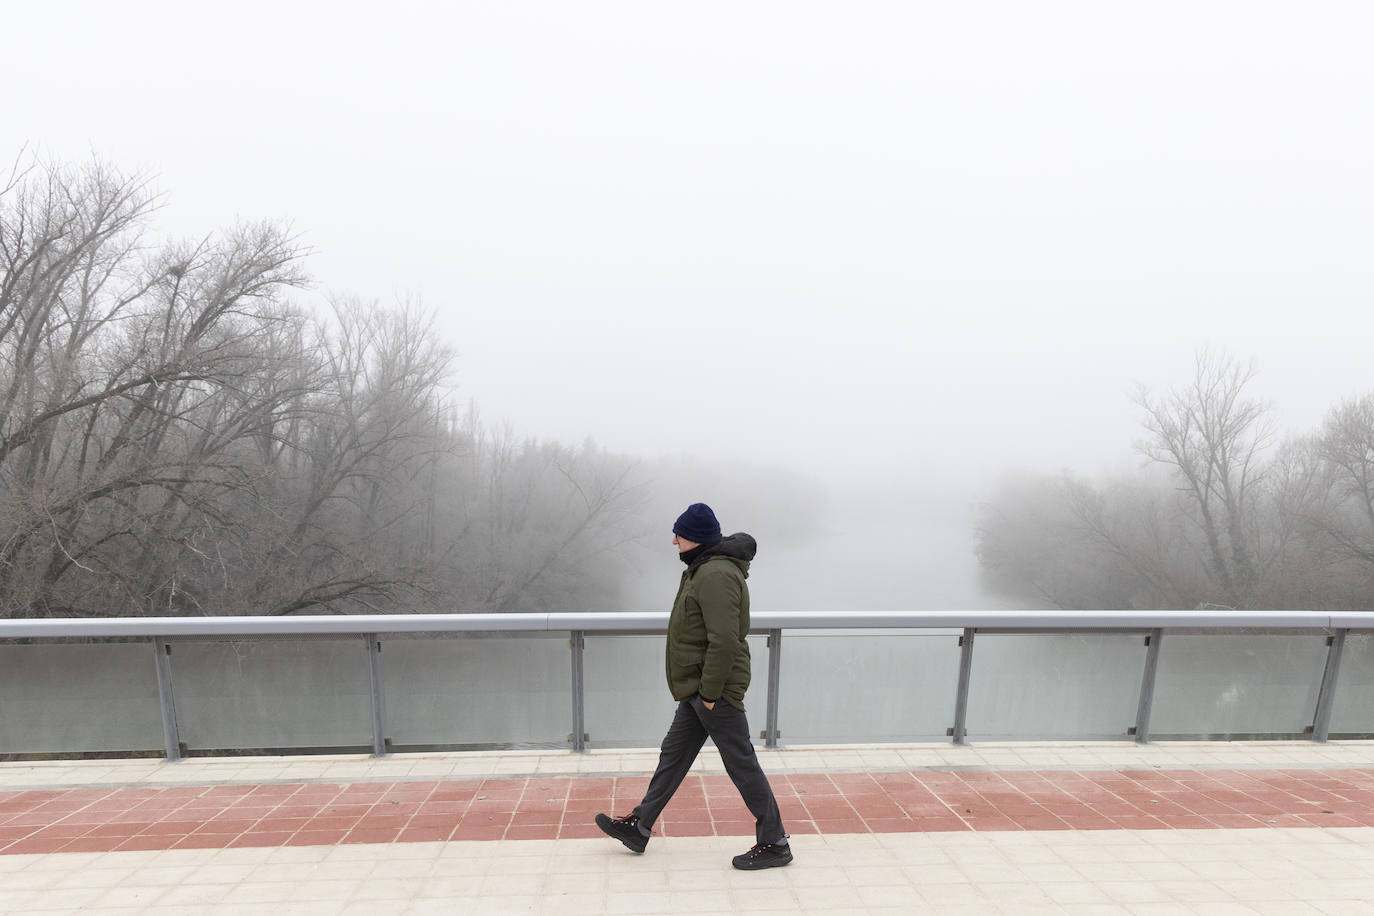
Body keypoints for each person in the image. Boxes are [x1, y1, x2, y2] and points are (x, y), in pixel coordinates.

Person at [596, 502, 792, 870]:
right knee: (673, 756)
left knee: (741, 764)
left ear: (696, 539)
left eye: (679, 535)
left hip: (713, 690)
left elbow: (724, 640)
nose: (674, 541)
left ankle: (775, 842)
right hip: (698, 688)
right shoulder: (700, 569)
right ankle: (640, 826)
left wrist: (712, 696)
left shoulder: (715, 574)